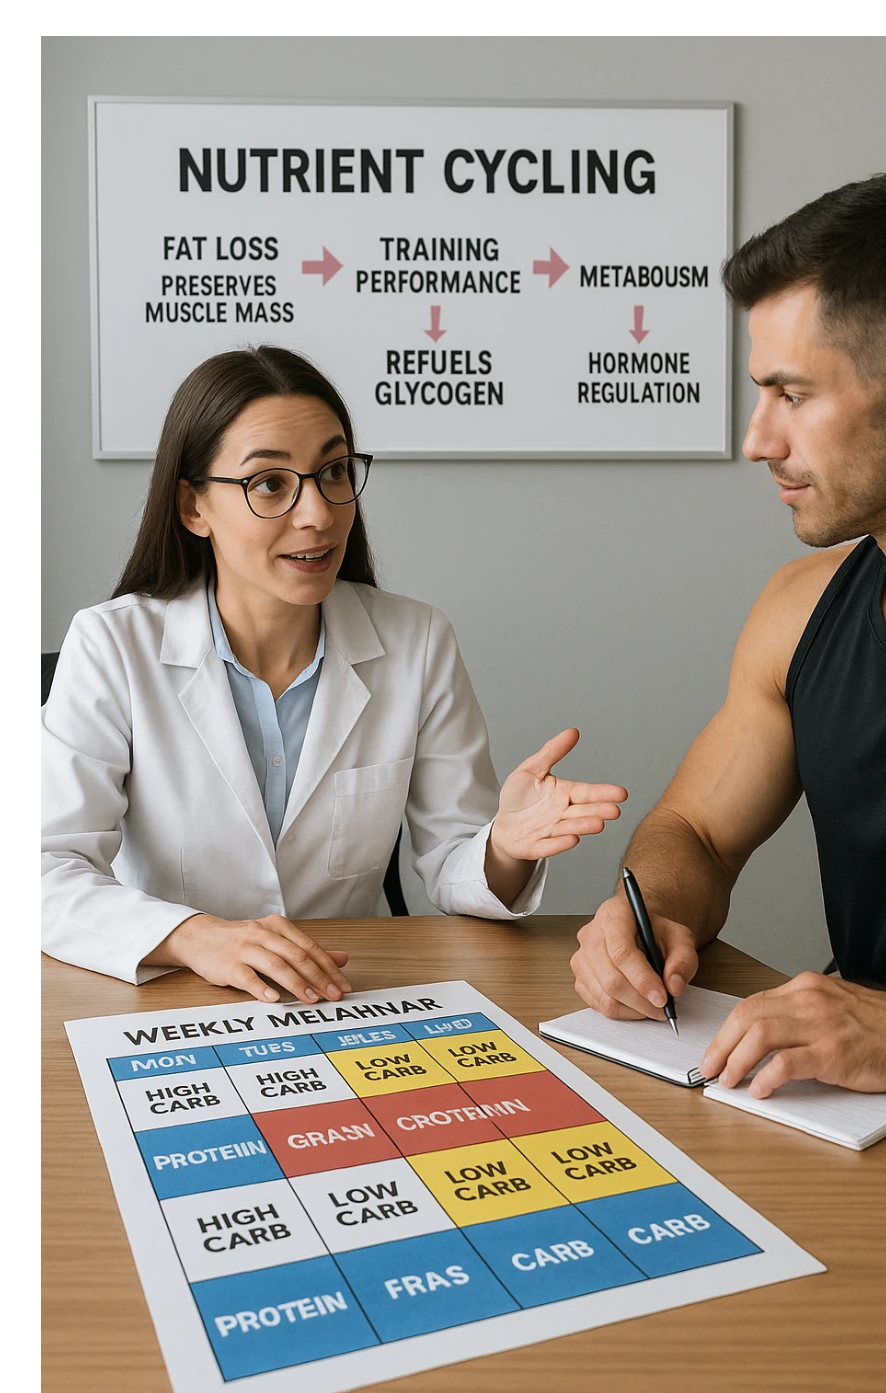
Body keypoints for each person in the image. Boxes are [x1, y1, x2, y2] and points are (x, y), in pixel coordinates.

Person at [42, 345, 626, 1002]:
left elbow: (452, 863)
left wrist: (507, 848)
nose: (318, 513)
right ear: (193, 507)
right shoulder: (113, 645)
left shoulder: (416, 641)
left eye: (334, 472)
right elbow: (42, 870)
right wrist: (196, 936)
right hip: (168, 993)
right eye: (270, 484)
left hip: (344, 991)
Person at [570, 173, 886, 1097]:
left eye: (790, 394)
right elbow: (696, 833)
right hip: (859, 1136)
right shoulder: (798, 612)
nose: (757, 439)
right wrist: (653, 912)